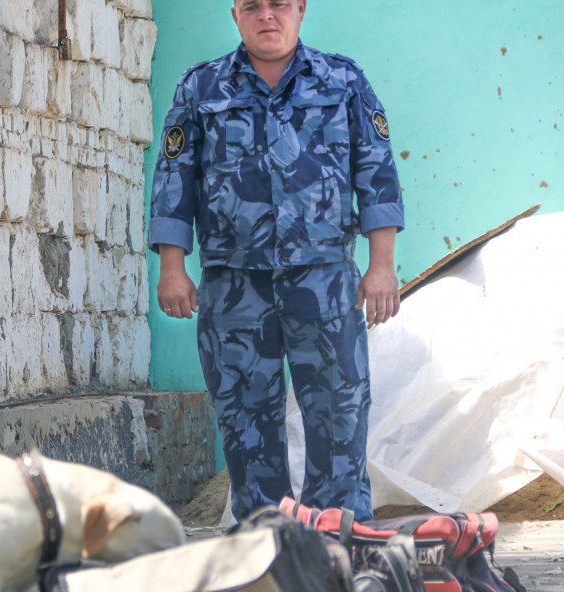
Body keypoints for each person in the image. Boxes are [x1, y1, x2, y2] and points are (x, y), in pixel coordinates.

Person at [149, 0, 402, 523]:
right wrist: (171, 267)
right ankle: (263, 547)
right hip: (234, 285)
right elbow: (174, 177)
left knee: (339, 414)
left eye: (279, 4)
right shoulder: (201, 87)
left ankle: (340, 541)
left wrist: (382, 265)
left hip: (326, 280)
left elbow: (375, 170)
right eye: (253, 6)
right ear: (236, 15)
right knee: (245, 423)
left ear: (301, 10)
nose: (268, 15)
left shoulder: (343, 79)